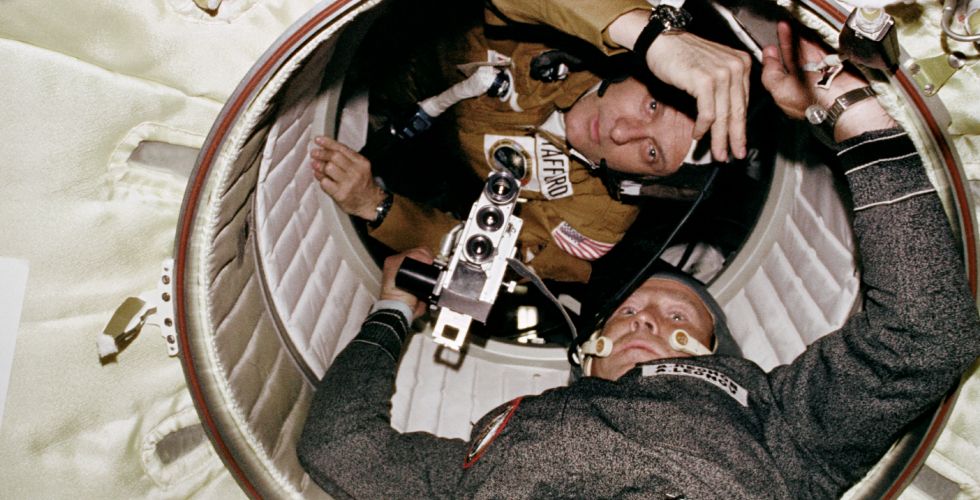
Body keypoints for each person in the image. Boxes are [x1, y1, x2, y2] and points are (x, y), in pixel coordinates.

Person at [297, 21, 980, 498]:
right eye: (629, 312)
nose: (645, 318)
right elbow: (335, 451)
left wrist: (393, 295)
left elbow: (925, 338)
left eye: (677, 316)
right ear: (584, 354)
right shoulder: (507, 435)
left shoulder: (778, 425)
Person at [307, 0, 755, 282]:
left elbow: (496, 255)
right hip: (387, 32)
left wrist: (378, 207)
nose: (621, 132)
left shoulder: (593, 222)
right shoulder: (603, 27)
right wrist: (649, 36)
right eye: (652, 105)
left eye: (651, 152)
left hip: (426, 161)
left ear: (644, 182)